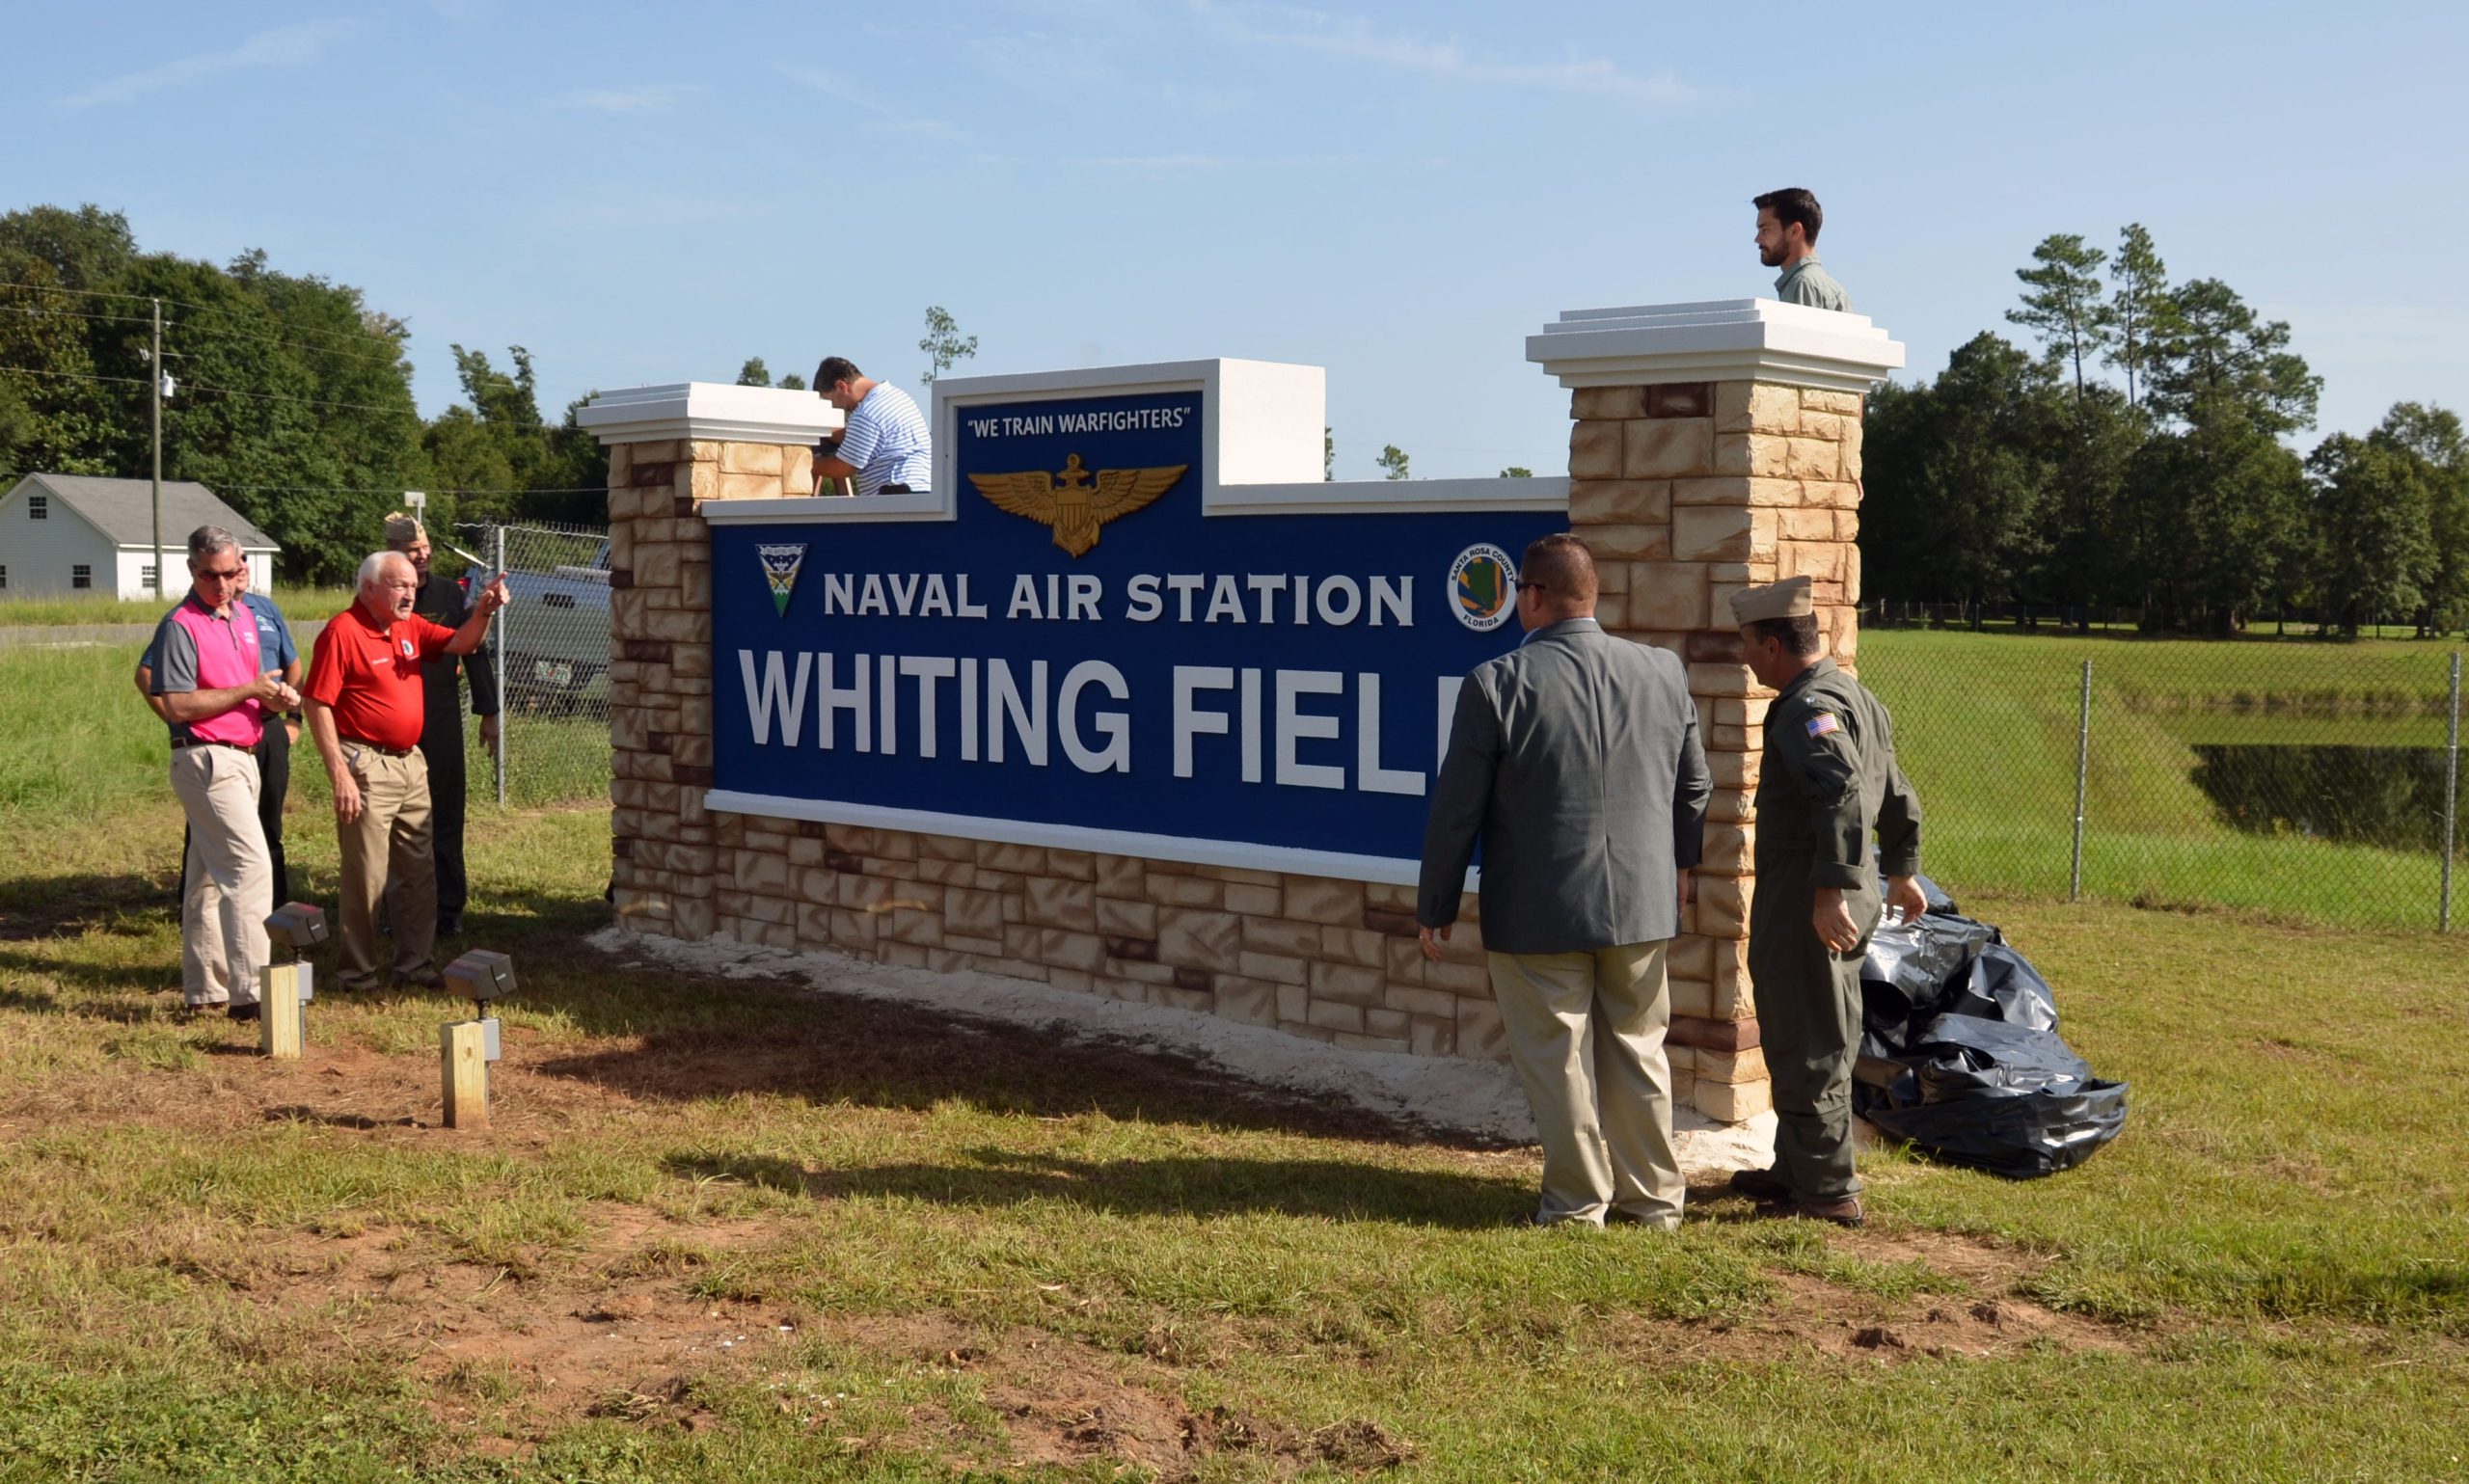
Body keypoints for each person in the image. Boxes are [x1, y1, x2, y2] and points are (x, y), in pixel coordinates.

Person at [1416, 534, 1712, 1229]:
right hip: (1641, 905)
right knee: (1639, 1050)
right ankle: (1654, 1201)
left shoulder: (1495, 683)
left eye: (1519, 588)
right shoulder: (1663, 671)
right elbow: (1694, 787)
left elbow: (1457, 808)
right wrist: (1680, 868)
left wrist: (1436, 904)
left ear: (1535, 596)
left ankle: (1578, 1204)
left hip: (1537, 912)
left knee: (1559, 1058)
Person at [1727, 576, 1925, 1228]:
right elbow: (1894, 787)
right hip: (1843, 886)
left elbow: (1839, 791)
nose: (1744, 657)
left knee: (1806, 1034)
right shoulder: (1854, 696)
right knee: (1821, 1027)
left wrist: (1827, 891)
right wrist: (1900, 869)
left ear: (1774, 644)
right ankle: (1797, 1167)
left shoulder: (1807, 708)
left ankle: (1829, 1189)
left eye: (1748, 643)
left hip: (1810, 892)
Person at [302, 552, 508, 993]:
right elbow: (316, 702)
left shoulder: (408, 626)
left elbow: (462, 644)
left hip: (411, 762)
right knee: (367, 875)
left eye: (413, 585)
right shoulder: (343, 632)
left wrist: (484, 612)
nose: (410, 593)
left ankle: (415, 965)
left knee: (418, 870)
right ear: (369, 588)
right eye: (400, 585)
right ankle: (357, 973)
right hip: (366, 763)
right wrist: (339, 773)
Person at [143, 526, 300, 1019]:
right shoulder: (180, 625)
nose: (221, 584)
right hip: (206, 759)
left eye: (230, 573)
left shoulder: (245, 616)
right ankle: (250, 994)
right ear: (192, 570)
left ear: (241, 568)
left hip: (244, 753)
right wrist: (248, 690)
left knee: (207, 877)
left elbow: (250, 688)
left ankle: (206, 988)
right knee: (250, 868)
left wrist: (275, 699)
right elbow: (177, 704)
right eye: (210, 575)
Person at [139, 557, 303, 909]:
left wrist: (292, 715)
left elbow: (291, 664)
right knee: (230, 850)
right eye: (218, 572)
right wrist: (180, 723)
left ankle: (274, 908)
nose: (230, 578)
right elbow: (148, 675)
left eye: (236, 569)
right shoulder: (187, 620)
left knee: (268, 823)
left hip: (264, 729)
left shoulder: (260, 610)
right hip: (213, 745)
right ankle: (245, 925)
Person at [383, 512, 500, 938]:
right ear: (392, 555)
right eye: (412, 551)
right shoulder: (378, 595)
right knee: (395, 818)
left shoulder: (452, 595)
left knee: (446, 813)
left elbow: (475, 652)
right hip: (392, 723)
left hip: (441, 718)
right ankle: (396, 906)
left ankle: (448, 907)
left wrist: (489, 712)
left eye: (426, 548)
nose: (422, 556)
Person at [812, 356, 933, 498]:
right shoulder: (894, 396)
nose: (834, 407)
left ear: (841, 386)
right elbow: (859, 438)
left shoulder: (867, 413)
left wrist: (804, 460)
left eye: (831, 400)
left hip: (896, 496)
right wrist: (817, 431)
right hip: (920, 493)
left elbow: (842, 467)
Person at [1753, 187, 1851, 311]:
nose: (1757, 239)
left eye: (1765, 230)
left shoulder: (1801, 284)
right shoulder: (1836, 289)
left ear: (1794, 231)